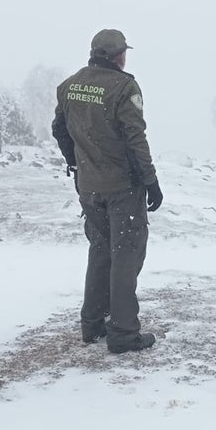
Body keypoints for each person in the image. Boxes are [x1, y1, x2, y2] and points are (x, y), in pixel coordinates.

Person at [51, 29, 163, 354]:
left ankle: (92, 325)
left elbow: (59, 128)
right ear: (119, 55)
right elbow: (134, 137)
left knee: (100, 251)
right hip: (122, 188)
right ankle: (124, 333)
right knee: (126, 256)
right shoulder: (124, 87)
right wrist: (151, 180)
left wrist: (76, 162)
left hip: (89, 187)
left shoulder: (69, 85)